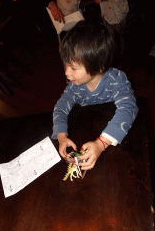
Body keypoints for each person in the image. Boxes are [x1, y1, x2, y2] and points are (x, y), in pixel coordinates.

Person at [52, 21, 138, 171]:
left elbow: (129, 108)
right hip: (91, 133)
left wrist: (101, 143)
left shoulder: (117, 80)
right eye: (66, 64)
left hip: (116, 138)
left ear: (99, 67)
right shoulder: (74, 85)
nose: (66, 72)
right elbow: (60, 107)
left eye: (74, 67)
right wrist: (61, 136)